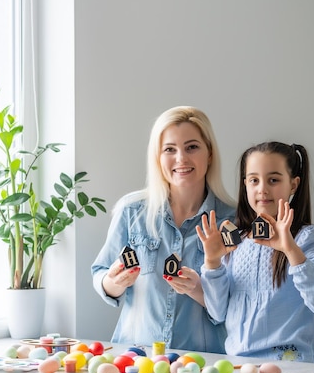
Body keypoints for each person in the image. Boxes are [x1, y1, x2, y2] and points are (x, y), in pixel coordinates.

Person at [91, 106, 236, 353]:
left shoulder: (232, 221)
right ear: (158, 157)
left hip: (204, 363)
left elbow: (238, 304)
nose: (181, 158)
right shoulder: (130, 211)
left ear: (209, 153)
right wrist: (114, 282)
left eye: (192, 147)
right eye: (169, 149)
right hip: (135, 360)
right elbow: (100, 273)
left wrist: (199, 290)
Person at [196, 141, 314, 363]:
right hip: (240, 365)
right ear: (245, 185)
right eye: (254, 180)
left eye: (273, 180)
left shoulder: (306, 238)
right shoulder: (234, 241)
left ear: (293, 184)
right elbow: (217, 313)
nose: (262, 189)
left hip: (293, 367)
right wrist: (212, 262)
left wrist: (291, 250)